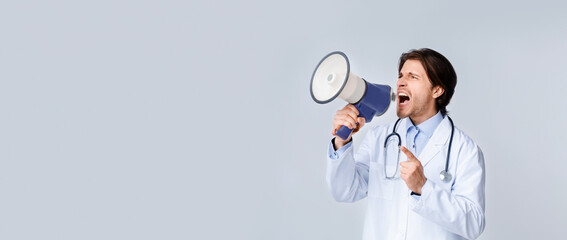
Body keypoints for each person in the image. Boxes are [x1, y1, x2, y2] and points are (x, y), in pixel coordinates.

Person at [326, 48, 485, 240]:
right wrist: (342, 141)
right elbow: (344, 191)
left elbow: (474, 224)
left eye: (413, 76)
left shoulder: (465, 150)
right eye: (400, 75)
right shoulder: (379, 138)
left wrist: (423, 188)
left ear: (437, 90)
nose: (401, 81)